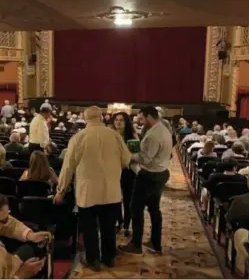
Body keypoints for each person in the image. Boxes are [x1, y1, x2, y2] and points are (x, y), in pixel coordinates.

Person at [54, 106, 131, 271]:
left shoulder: (78, 137)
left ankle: (93, 260)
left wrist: (61, 190)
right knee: (108, 227)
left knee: (89, 228)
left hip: (87, 192)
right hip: (111, 191)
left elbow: (68, 168)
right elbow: (126, 160)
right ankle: (109, 258)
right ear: (102, 117)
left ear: (85, 118)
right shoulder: (114, 136)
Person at [119, 106, 172, 255]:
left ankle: (136, 244)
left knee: (136, 209)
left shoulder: (153, 135)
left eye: (142, 119)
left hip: (149, 175)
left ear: (149, 116)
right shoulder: (164, 129)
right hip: (161, 172)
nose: (140, 122)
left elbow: (145, 159)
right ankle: (155, 242)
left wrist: (130, 155)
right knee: (154, 209)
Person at [111, 112, 139, 236]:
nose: (118, 122)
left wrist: (123, 159)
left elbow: (136, 156)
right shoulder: (110, 135)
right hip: (112, 171)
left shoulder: (132, 136)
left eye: (121, 120)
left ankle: (127, 224)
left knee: (128, 200)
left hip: (128, 171)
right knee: (114, 199)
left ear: (126, 122)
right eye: (116, 120)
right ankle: (119, 221)